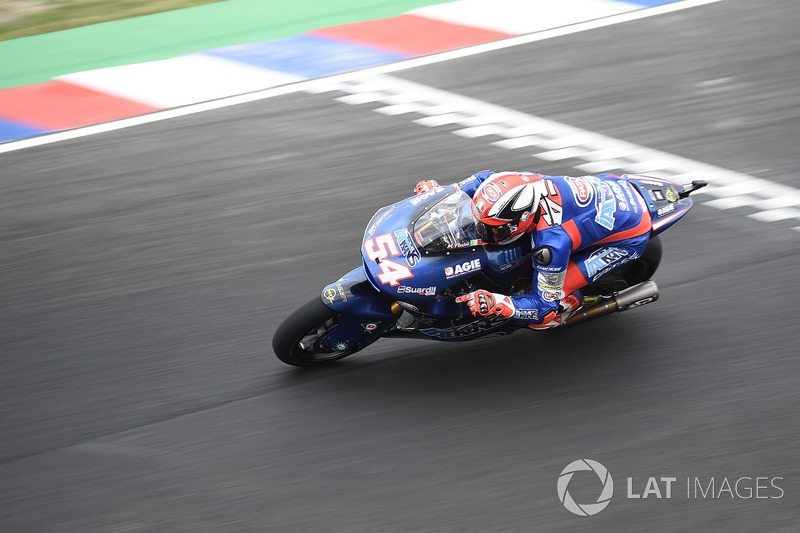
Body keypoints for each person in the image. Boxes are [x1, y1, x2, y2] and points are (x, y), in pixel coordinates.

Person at [413, 170, 652, 329]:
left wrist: (499, 303)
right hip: (611, 187)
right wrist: (443, 192)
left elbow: (543, 306)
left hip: (628, 233)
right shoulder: (517, 183)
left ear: (525, 218)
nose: (482, 234)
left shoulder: (552, 243)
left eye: (492, 230)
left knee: (545, 319)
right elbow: (483, 179)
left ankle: (573, 305)